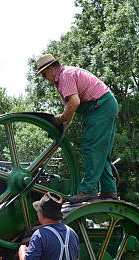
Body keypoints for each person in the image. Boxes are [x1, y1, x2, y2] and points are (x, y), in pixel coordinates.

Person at [35, 53, 119, 204]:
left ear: (51, 69)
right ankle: (108, 190)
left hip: (100, 107)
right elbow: (71, 109)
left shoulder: (65, 76)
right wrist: (62, 129)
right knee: (101, 151)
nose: (44, 78)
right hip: (104, 105)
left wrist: (59, 119)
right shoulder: (65, 76)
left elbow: (74, 103)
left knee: (92, 148)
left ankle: (88, 190)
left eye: (44, 74)